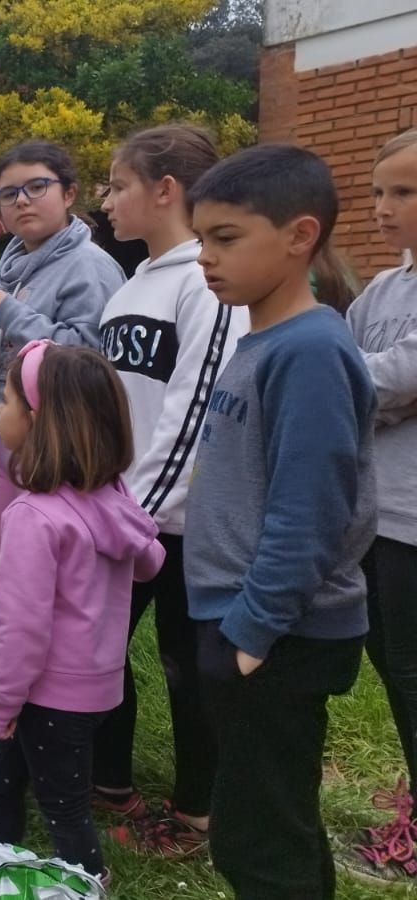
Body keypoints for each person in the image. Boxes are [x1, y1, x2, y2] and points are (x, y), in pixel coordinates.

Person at [185, 144, 376, 899]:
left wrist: (253, 634)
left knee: (264, 837)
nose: (205, 258)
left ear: (299, 237)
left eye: (226, 238)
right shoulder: (264, 337)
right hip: (243, 621)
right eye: (201, 239)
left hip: (275, 633)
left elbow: (312, 510)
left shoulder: (310, 351)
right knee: (262, 816)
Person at [92, 123, 243, 857]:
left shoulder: (204, 283)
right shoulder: (134, 282)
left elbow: (193, 418)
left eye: (118, 185)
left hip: (178, 526)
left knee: (189, 667)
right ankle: (109, 780)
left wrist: (133, 519)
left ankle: (198, 813)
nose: (106, 199)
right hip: (122, 511)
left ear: (165, 190)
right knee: (99, 650)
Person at [0, 140, 126, 740]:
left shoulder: (90, 267)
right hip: (2, 441)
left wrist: (6, 315)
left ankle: (39, 708)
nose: (21, 201)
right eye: (8, 193)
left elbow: (86, 358)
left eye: (37, 187)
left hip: (58, 453)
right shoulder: (11, 259)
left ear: (69, 193)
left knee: (35, 591)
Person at [0, 341, 164, 879]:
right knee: (2, 777)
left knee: (63, 808)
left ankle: (87, 882)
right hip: (98, 688)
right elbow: (151, 560)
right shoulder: (109, 497)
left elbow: (22, 629)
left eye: (10, 401)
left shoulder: (34, 517)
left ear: (37, 422)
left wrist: (2, 703)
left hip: (44, 694)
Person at [337, 128, 417, 884]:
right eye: (378, 192)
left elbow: (382, 381)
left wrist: (374, 387)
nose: (383, 208)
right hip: (375, 513)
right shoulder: (386, 289)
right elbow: (349, 367)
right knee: (392, 666)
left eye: (404, 192)